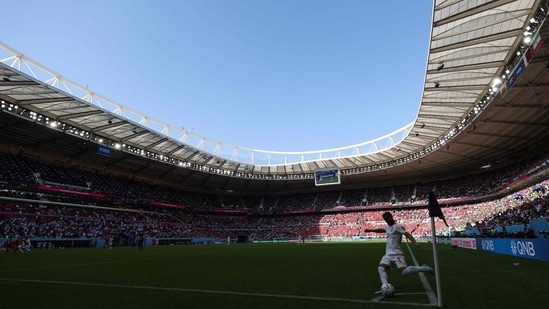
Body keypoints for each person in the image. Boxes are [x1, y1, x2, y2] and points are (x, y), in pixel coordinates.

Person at [364, 211, 435, 290]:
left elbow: (407, 234)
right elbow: (381, 230)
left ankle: (423, 268)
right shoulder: (387, 227)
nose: (386, 221)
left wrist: (415, 243)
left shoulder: (397, 227)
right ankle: (385, 286)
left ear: (391, 217)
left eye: (387, 219)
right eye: (385, 220)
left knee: (404, 272)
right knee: (380, 268)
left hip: (396, 254)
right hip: (388, 254)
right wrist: (370, 230)